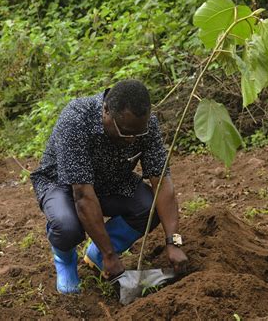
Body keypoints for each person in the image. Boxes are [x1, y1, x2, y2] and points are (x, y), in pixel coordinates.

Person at [30, 79, 188, 294]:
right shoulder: (76, 119)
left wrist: (173, 242)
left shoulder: (146, 124)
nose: (132, 139)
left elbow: (161, 182)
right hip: (63, 185)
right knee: (67, 226)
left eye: (138, 134)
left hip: (112, 180)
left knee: (148, 207)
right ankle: (65, 259)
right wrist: (111, 256)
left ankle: (97, 254)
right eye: (125, 132)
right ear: (105, 110)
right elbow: (83, 196)